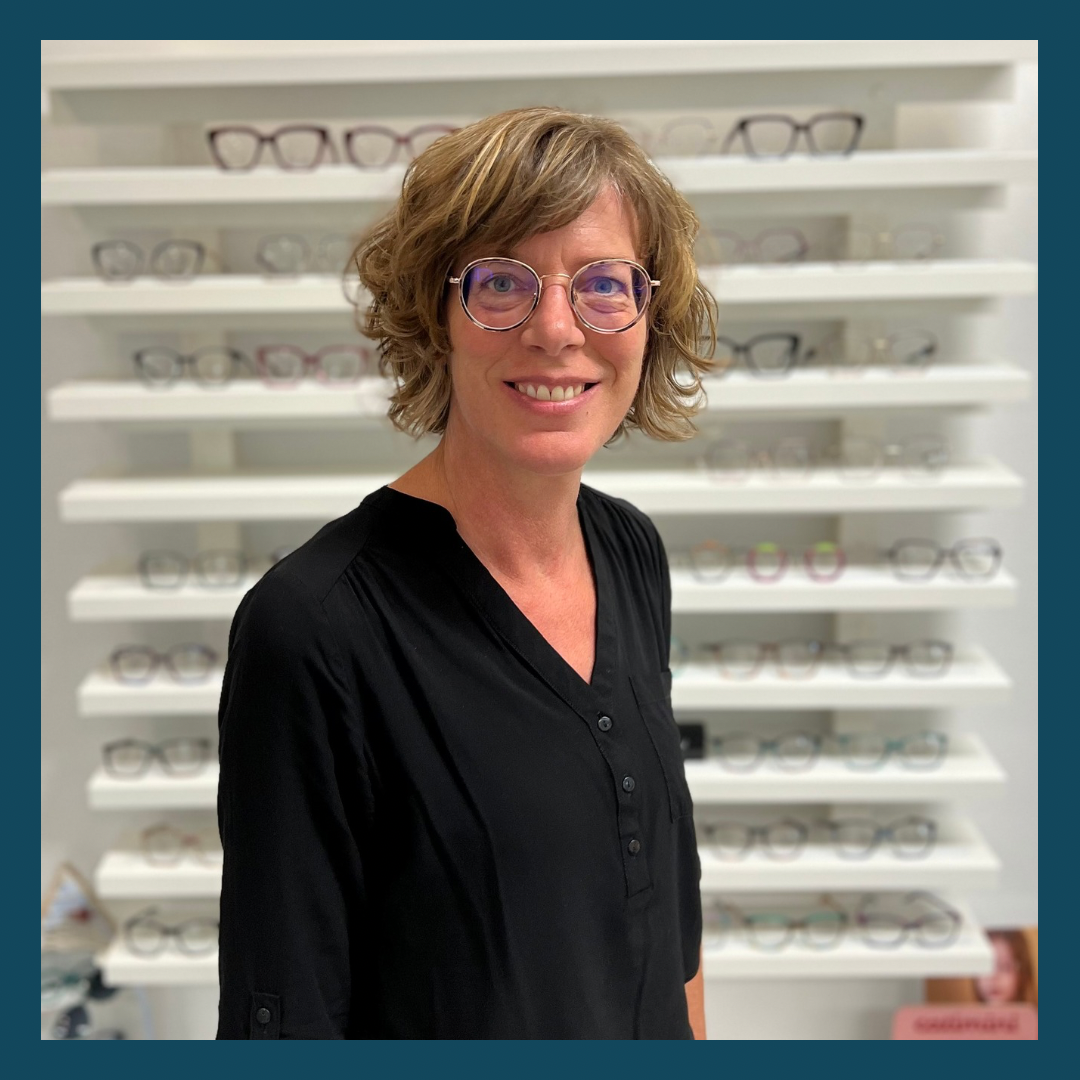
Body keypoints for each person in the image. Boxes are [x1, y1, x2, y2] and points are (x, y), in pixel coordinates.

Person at [215, 106, 717, 1040]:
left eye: (604, 284)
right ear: (436, 314)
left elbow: (668, 915)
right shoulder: (317, 625)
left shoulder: (630, 551)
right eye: (502, 284)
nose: (557, 329)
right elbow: (281, 1011)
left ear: (650, 316)